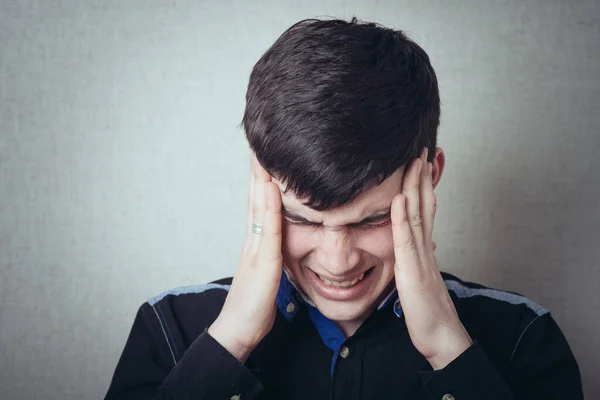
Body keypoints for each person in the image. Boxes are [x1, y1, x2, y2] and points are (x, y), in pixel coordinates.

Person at [104, 18, 583, 400]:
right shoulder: (169, 328)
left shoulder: (524, 338)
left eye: (371, 220)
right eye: (302, 219)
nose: (338, 261)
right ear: (260, 185)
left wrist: (447, 347)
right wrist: (230, 342)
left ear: (430, 176)